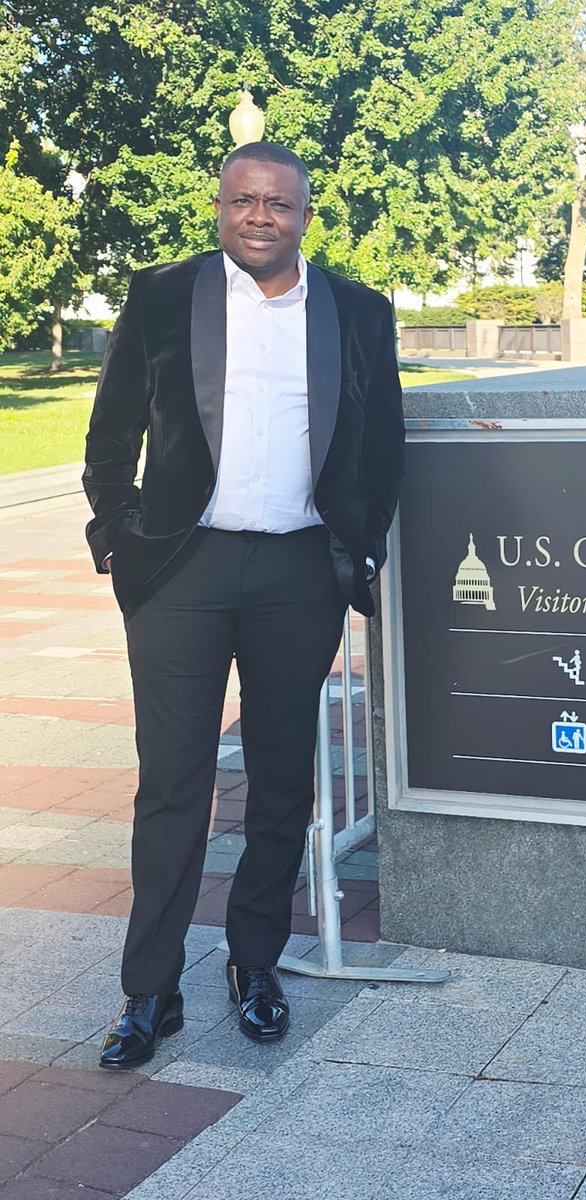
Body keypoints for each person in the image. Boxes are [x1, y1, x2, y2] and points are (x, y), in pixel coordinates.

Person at [82, 142, 405, 1069]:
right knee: (171, 783)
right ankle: (150, 991)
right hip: (182, 571)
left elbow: (382, 444)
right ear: (221, 207)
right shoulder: (161, 296)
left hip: (299, 572)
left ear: (304, 215)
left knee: (280, 778)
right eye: (243, 201)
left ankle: (254, 963)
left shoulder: (357, 311)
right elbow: (111, 431)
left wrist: (361, 544)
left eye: (278, 203)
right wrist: (119, 535)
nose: (259, 216)